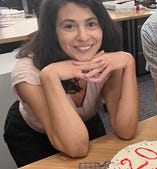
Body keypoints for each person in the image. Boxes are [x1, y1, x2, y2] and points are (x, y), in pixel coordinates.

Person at [3, 0, 139, 167]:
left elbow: (126, 130)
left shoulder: (106, 60)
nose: (83, 37)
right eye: (69, 26)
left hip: (85, 123)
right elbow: (77, 148)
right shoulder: (27, 71)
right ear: (53, 31)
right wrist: (50, 76)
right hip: (34, 135)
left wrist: (129, 63)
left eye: (91, 24)